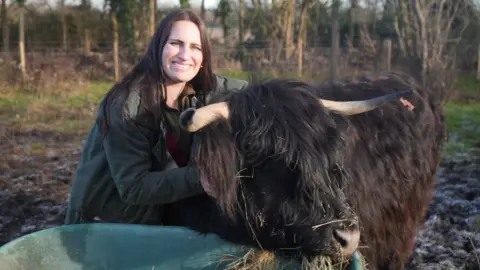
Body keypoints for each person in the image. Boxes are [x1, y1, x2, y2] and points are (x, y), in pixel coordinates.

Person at [64, 9, 248, 225]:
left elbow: (248, 93)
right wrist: (203, 177)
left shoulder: (196, 90)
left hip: (157, 216)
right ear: (159, 47)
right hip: (107, 225)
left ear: (203, 58)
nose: (184, 55)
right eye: (176, 43)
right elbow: (134, 187)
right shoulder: (127, 107)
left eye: (195, 47)